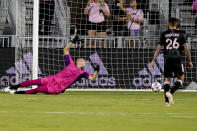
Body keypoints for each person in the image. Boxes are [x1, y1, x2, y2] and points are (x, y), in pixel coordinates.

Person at [5, 35, 100, 94]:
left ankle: (18, 93)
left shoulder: (82, 73)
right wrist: (72, 41)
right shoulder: (70, 63)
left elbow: (93, 78)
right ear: (79, 61)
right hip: (52, 79)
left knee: (38, 90)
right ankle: (14, 87)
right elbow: (66, 50)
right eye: (84, 61)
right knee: (33, 81)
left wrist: (97, 70)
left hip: (58, 87)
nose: (85, 62)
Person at [150, 18, 193, 106]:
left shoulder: (164, 34)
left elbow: (159, 48)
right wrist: (190, 61)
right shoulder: (181, 34)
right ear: (177, 25)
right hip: (177, 58)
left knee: (167, 80)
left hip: (167, 58)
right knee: (181, 78)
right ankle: (171, 92)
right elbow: (186, 49)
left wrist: (153, 60)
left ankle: (166, 102)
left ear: (168, 24)